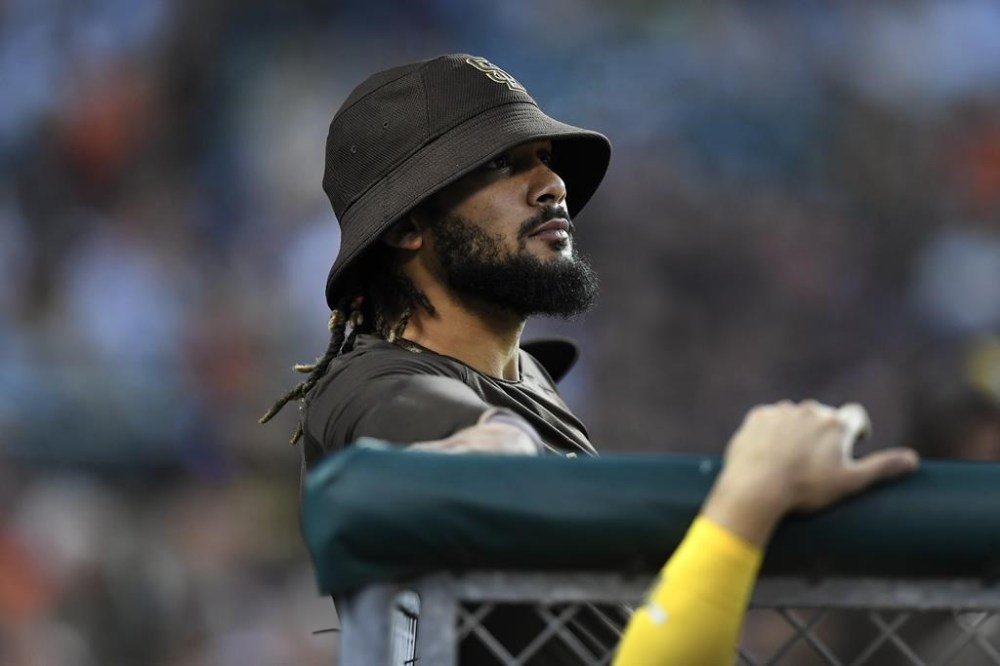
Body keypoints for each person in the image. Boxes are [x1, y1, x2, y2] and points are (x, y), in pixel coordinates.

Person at [261, 54, 919, 664]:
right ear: (407, 227)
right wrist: (750, 497)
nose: (551, 184)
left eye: (543, 159)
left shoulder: (527, 377)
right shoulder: (365, 380)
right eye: (498, 166)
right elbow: (439, 427)